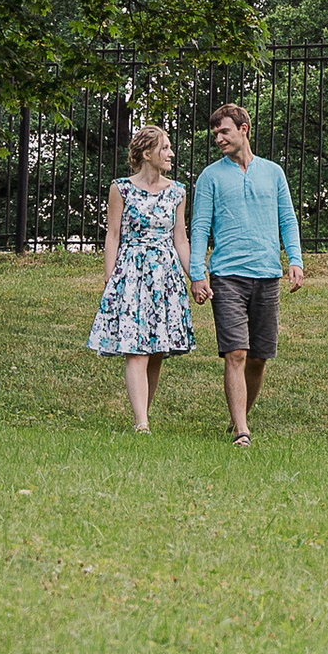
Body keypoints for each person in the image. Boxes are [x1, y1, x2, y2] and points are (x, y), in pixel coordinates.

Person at [188, 100, 302, 446]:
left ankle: (240, 416)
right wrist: (198, 273)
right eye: (215, 134)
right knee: (236, 353)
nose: (218, 138)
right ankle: (242, 430)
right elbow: (200, 227)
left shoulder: (273, 172)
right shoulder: (210, 176)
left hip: (267, 274)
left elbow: (288, 218)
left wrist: (294, 259)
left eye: (224, 131)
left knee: (259, 358)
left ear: (243, 129)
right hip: (227, 277)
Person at [88, 122, 195, 430]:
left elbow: (181, 240)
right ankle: (141, 423)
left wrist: (196, 277)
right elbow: (113, 235)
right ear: (147, 153)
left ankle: (142, 414)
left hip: (165, 276)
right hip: (131, 274)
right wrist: (110, 278)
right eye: (165, 147)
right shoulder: (120, 188)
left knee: (157, 349)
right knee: (136, 350)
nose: (171, 153)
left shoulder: (177, 192)